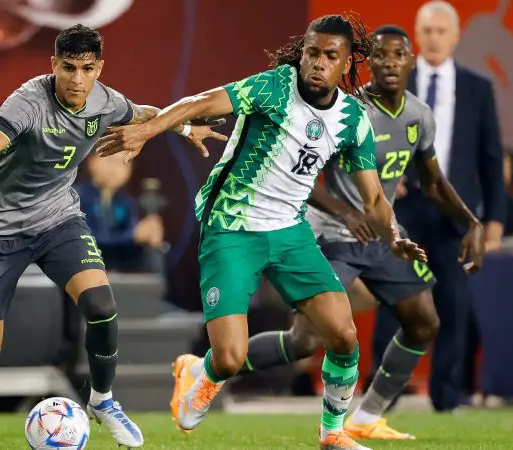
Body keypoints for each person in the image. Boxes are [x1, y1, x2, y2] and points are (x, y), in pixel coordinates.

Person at [96, 15, 429, 450]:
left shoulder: (352, 119)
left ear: (348, 63)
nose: (318, 63)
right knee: (230, 359)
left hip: (290, 232)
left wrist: (393, 235)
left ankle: (332, 434)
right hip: (231, 227)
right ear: (302, 53)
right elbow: (200, 101)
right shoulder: (273, 87)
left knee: (343, 335)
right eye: (312, 52)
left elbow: (375, 198)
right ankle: (198, 370)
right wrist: (146, 130)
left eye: (330, 56)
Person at [0, 24, 223, 449]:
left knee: (101, 306)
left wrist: (185, 130)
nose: (78, 79)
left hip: (57, 221)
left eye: (87, 69)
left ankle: (102, 400)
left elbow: (143, 113)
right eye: (69, 68)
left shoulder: (104, 100)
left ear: (99, 68)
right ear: (54, 65)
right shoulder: (28, 102)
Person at [210, 25, 484, 441]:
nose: (389, 63)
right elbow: (297, 171)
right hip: (333, 236)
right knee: (306, 340)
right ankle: (208, 367)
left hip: (383, 234)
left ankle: (366, 416)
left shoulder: (418, 115)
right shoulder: (347, 110)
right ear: (367, 62)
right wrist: (344, 211)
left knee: (424, 321)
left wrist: (471, 222)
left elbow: (432, 183)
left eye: (398, 55)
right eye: (381, 55)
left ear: (411, 62)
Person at [376, 0, 506, 413]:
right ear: (416, 36)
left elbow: (490, 158)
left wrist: (494, 219)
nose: (433, 39)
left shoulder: (477, 88)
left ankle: (446, 400)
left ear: (455, 36)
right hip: (404, 211)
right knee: (394, 303)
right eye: (426, 31)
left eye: (440, 31)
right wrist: (382, 177)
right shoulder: (393, 82)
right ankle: (382, 398)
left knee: (453, 306)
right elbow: (365, 141)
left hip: (455, 213)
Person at [77, 152, 165, 272]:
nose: (116, 168)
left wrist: (148, 237)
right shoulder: (76, 197)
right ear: (92, 161)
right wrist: (133, 236)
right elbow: (83, 242)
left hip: (119, 274)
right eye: (111, 160)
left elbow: (132, 244)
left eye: (124, 162)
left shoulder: (126, 203)